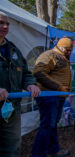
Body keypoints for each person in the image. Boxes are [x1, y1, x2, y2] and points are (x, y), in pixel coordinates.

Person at [0, 11, 40, 157]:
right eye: (1, 22)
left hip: (11, 110)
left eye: (7, 24)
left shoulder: (13, 49)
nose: (5, 26)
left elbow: (25, 73)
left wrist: (30, 84)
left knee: (12, 147)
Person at [32, 37, 73, 157]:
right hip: (49, 96)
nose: (70, 52)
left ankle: (53, 150)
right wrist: (58, 87)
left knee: (52, 124)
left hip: (58, 96)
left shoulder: (63, 58)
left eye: (71, 50)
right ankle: (38, 154)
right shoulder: (50, 55)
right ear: (60, 46)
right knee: (46, 125)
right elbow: (38, 72)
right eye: (67, 49)